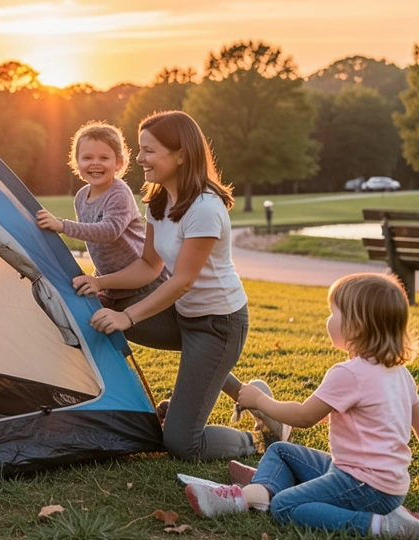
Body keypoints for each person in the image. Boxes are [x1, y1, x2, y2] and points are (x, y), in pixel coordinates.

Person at [74, 110, 282, 461]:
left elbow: (183, 280)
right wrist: (99, 283)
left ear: (181, 154)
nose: (139, 158)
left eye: (149, 151)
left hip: (219, 325)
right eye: (140, 150)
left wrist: (129, 317)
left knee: (182, 443)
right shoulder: (158, 201)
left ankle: (257, 436)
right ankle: (239, 395)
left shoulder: (204, 208)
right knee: (109, 315)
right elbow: (148, 266)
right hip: (184, 317)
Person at [182, 272, 419, 540]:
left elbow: (304, 416)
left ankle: (382, 524)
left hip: (363, 486)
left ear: (356, 326)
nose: (328, 320)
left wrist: (260, 401)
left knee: (285, 507)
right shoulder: (399, 373)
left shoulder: (349, 374)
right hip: (385, 485)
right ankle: (265, 488)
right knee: (280, 451)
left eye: (334, 313)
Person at [35, 121, 164, 310]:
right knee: (75, 310)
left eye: (104, 158)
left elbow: (109, 231)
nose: (95, 163)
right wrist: (97, 280)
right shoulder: (80, 197)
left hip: (142, 285)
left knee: (105, 321)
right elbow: (96, 245)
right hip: (112, 286)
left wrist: (63, 226)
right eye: (87, 158)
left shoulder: (119, 193)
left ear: (119, 163)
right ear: (76, 162)